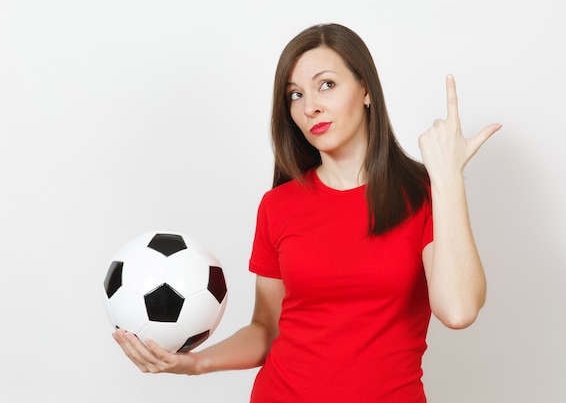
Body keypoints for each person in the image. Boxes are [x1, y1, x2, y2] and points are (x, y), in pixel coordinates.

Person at [113, 23, 501, 402]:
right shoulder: (278, 206)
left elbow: (458, 310)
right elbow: (267, 330)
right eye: (295, 95)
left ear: (366, 88)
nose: (310, 106)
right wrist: (193, 363)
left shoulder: (424, 195)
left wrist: (448, 177)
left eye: (326, 85)